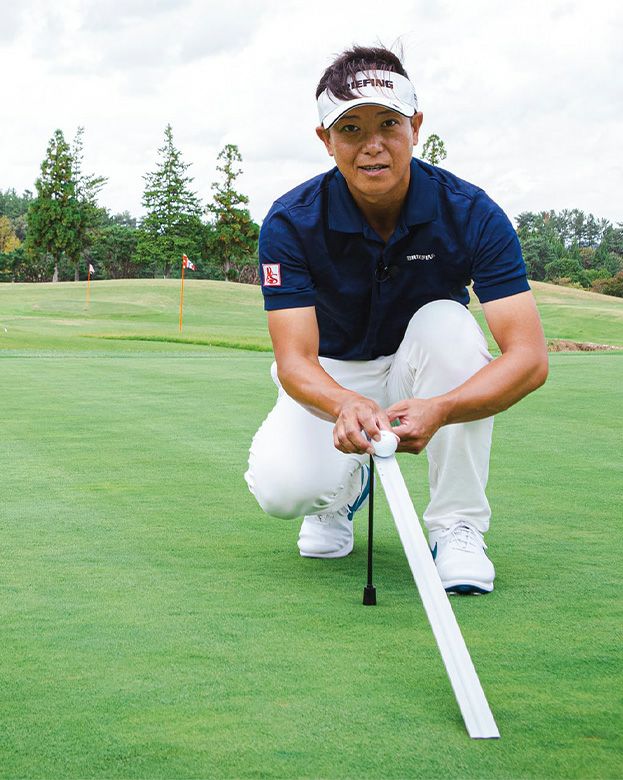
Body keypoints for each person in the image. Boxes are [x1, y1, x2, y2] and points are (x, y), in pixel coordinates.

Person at [244, 45, 547, 594]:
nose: (372, 144)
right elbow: (294, 359)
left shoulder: (471, 212)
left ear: (416, 127)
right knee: (283, 490)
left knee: (451, 327)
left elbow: (528, 359)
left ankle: (458, 527)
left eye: (389, 123)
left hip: (425, 367)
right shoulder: (292, 221)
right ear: (325, 140)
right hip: (336, 370)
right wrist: (343, 403)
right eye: (351, 129)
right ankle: (339, 497)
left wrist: (443, 408)